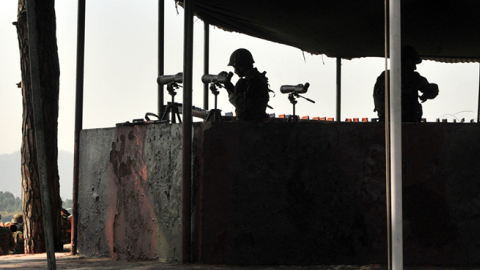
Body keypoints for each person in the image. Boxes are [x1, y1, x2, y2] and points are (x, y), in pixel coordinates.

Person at [373, 45, 439, 122]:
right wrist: (426, 95)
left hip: (386, 121)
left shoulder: (385, 76)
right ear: (408, 62)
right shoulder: (411, 77)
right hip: (408, 122)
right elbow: (432, 91)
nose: (414, 68)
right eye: (413, 63)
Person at [222, 48, 270, 121]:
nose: (234, 71)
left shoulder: (255, 81)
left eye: (235, 67)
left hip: (252, 126)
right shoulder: (251, 80)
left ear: (242, 67)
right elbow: (241, 96)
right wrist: (228, 86)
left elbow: (245, 105)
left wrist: (233, 98)